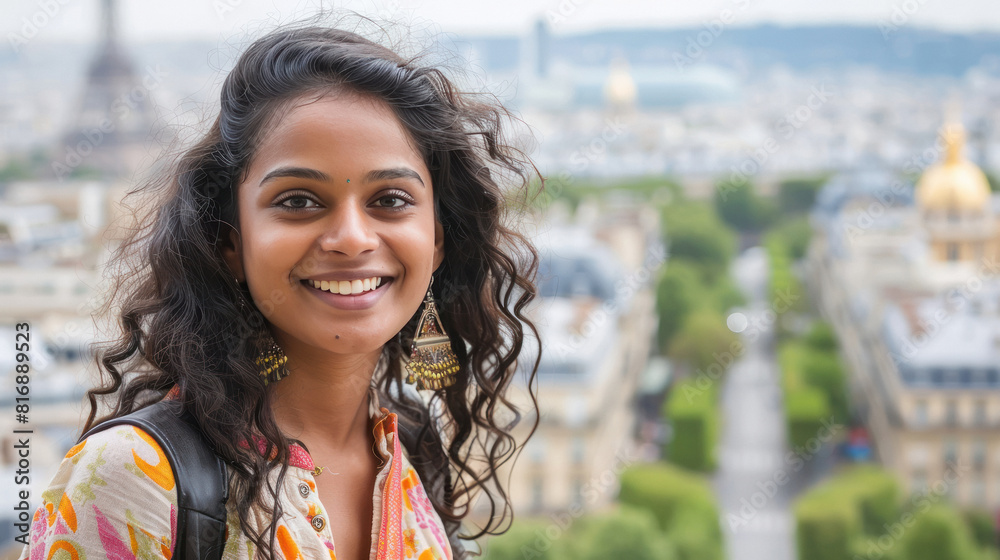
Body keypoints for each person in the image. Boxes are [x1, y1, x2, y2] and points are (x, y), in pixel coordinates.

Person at [18, 16, 542, 560]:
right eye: (298, 201)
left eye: (390, 199)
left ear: (436, 240)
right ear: (230, 242)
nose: (351, 239)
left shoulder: (409, 448)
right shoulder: (133, 478)